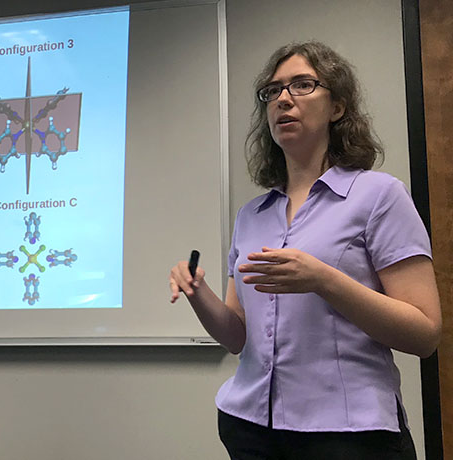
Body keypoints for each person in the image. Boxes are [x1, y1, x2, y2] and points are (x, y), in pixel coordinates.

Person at [168, 41, 441, 460]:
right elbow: (237, 337)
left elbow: (424, 335)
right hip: (250, 428)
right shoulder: (252, 215)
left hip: (347, 436)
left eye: (302, 85)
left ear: (337, 107)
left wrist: (323, 279)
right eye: (272, 91)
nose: (283, 99)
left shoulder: (379, 195)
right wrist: (197, 292)